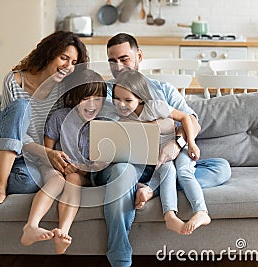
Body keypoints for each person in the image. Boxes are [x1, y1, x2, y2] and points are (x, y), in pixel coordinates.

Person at [97, 33, 231, 267]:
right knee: (122, 173)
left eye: (124, 59)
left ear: (139, 56)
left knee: (221, 168)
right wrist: (154, 127)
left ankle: (150, 189)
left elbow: (192, 122)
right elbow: (102, 134)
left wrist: (176, 144)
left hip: (161, 163)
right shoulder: (105, 95)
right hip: (124, 166)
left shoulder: (163, 90)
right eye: (112, 61)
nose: (118, 67)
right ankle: (119, 256)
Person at [0, 31, 89, 204]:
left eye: (74, 63)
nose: (68, 66)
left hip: (26, 157)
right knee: (21, 106)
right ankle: (0, 183)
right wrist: (47, 153)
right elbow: (11, 126)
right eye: (64, 58)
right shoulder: (14, 81)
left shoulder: (63, 91)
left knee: (26, 184)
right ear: (49, 53)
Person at [113, 69, 211, 235]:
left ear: (140, 98)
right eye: (117, 99)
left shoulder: (155, 106)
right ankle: (170, 216)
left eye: (128, 100)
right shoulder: (124, 116)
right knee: (168, 170)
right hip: (161, 157)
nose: (121, 104)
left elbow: (185, 118)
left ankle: (201, 211)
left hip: (180, 146)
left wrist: (192, 144)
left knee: (183, 170)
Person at [20, 69, 108, 254]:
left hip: (80, 174)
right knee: (56, 180)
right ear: (74, 99)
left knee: (74, 179)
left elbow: (97, 165)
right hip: (56, 168)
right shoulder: (59, 117)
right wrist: (58, 164)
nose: (92, 104)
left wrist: (81, 169)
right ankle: (31, 226)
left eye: (97, 99)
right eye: (85, 98)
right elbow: (47, 151)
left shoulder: (102, 126)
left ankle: (63, 233)